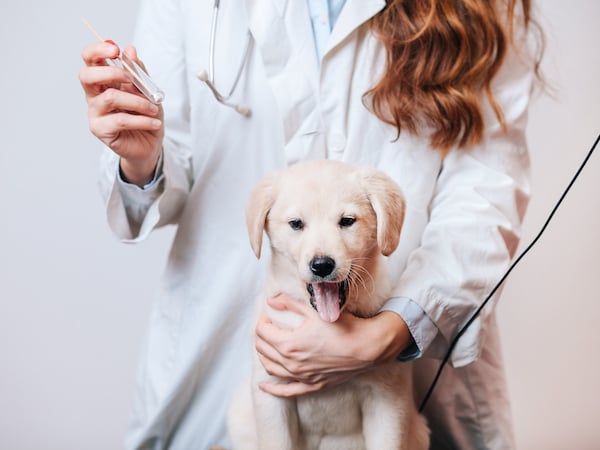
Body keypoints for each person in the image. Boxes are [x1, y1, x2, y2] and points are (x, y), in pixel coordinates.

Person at [79, 0, 542, 448]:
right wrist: (141, 158)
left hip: (406, 351)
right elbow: (168, 160)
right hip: (222, 353)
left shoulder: (481, 6)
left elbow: (485, 191)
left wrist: (391, 331)